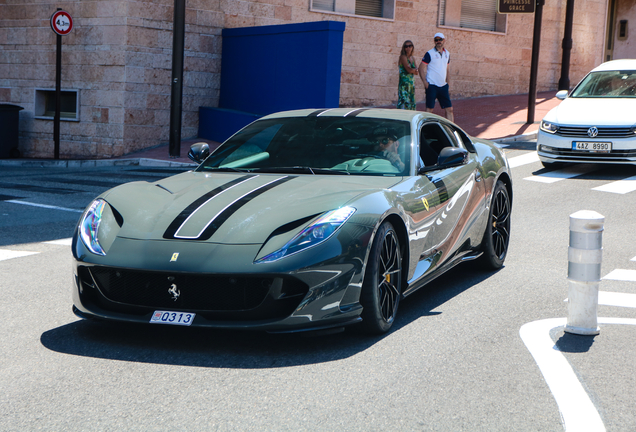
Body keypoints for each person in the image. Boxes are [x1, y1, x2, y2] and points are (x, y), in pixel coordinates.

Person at [418, 32, 454, 122]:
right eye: (436, 40)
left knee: (449, 109)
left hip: (443, 86)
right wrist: (425, 83)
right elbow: (420, 68)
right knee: (429, 110)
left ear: (444, 40)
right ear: (434, 41)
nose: (438, 41)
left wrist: (448, 83)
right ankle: (425, 130)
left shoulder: (447, 54)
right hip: (432, 86)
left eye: (440, 39)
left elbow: (447, 69)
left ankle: (451, 131)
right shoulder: (429, 54)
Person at [397, 40, 418, 110]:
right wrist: (413, 70)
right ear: (404, 48)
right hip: (404, 85)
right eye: (406, 46)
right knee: (404, 102)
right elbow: (408, 70)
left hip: (411, 84)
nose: (408, 48)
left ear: (412, 47)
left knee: (411, 103)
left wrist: (413, 70)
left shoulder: (413, 58)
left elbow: (417, 71)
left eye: (410, 46)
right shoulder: (403, 57)